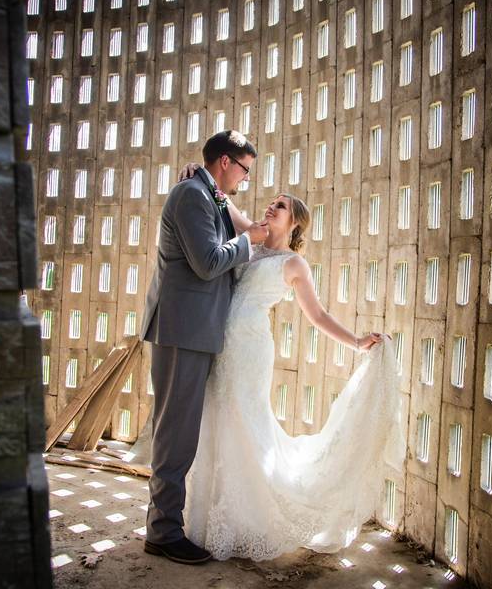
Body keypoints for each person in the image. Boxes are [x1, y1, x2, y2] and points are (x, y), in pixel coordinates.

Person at [156, 164, 406, 561]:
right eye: (272, 202)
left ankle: (251, 519)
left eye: (281, 206)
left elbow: (319, 315)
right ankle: (212, 517)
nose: (271, 208)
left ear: (295, 223)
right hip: (216, 345)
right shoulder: (249, 242)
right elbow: (222, 199)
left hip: (249, 350)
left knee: (245, 423)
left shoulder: (293, 264)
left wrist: (357, 341)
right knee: (216, 423)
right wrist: (198, 173)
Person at [137, 131, 269, 565]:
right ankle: (163, 532)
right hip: (183, 329)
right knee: (175, 433)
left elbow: (229, 223)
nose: (245, 181)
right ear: (227, 162)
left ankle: (164, 523)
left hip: (193, 329)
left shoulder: (204, 191)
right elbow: (208, 261)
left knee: (181, 431)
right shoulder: (191, 196)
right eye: (245, 171)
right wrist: (248, 244)